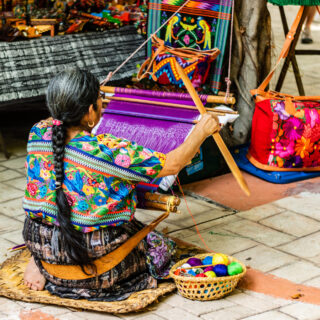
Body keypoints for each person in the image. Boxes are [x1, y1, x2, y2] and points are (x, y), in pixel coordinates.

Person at [22, 68, 219, 301]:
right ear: (89, 112)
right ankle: (69, 272)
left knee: (61, 215)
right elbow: (174, 163)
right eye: (100, 100)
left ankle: (43, 265)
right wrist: (201, 130)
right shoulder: (108, 151)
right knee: (161, 248)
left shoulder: (38, 132)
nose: (103, 105)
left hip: (42, 244)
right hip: (97, 263)